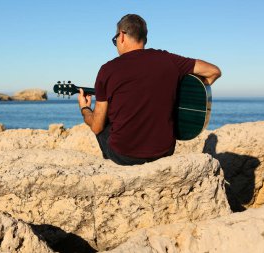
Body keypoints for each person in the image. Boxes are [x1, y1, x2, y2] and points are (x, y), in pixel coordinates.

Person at [78, 14, 221, 166]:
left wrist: (85, 108)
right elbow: (214, 71)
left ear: (121, 36)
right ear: (144, 39)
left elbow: (96, 126)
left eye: (115, 40)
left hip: (124, 156)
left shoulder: (107, 70)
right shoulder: (168, 60)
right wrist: (187, 93)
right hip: (164, 151)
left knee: (103, 121)